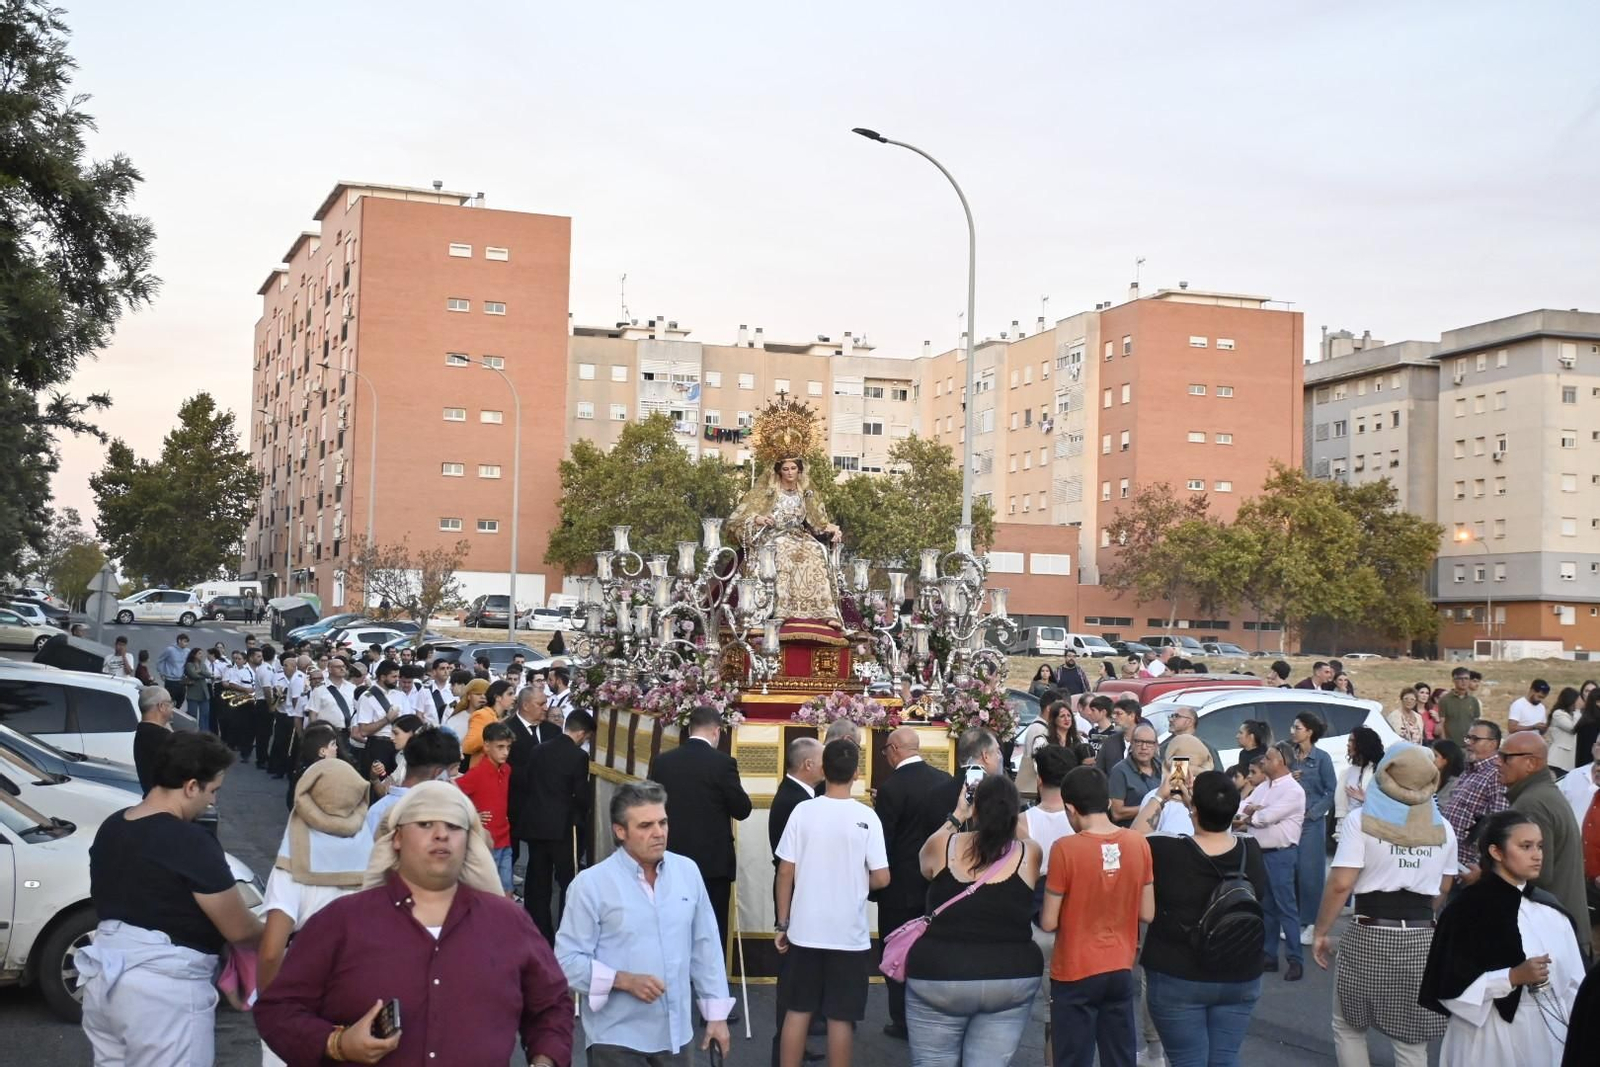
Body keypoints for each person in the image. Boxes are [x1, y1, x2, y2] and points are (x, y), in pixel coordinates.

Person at [256, 781, 573, 1066]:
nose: (441, 834)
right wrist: (337, 1044)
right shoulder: (342, 921)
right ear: (396, 839)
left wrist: (545, 1061)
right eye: (425, 824)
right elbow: (277, 1009)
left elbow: (552, 1004)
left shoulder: (508, 923)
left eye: (453, 826)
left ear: (468, 842)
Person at [77, 732, 263, 1066]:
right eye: (213, 790)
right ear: (191, 786)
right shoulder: (189, 840)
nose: (213, 802)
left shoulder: (113, 826)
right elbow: (239, 929)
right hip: (161, 991)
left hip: (102, 977)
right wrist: (276, 934)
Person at [555, 780, 733, 1065]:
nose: (658, 833)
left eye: (663, 822)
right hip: (615, 1039)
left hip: (677, 1036)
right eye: (645, 826)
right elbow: (565, 962)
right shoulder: (591, 885)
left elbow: (706, 947)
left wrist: (716, 1016)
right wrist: (622, 980)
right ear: (620, 831)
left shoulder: (687, 871)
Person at [1311, 743, 1457, 1067]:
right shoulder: (1443, 828)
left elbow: (1341, 884)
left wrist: (1321, 931)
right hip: (1422, 937)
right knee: (1411, 1039)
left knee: (1349, 1025)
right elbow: (1444, 887)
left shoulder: (1361, 821)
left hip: (1369, 931)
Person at [1419, 810, 1585, 1065]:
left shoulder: (1551, 910)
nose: (1537, 854)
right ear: (1497, 852)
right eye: (1525, 846)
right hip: (1489, 1035)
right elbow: (1448, 987)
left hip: (1549, 1032)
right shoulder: (1467, 911)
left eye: (1540, 846)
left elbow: (1576, 983)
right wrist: (1511, 977)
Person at [904, 774, 1043, 1066]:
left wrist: (958, 815)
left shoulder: (942, 845)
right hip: (1010, 974)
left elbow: (922, 862)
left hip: (940, 973)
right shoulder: (1029, 853)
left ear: (976, 808)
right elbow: (1021, 837)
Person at [775, 739, 890, 1067]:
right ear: (857, 773)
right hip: (848, 935)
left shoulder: (803, 811)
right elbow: (882, 878)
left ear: (823, 769)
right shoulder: (867, 817)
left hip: (804, 930)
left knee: (797, 1011)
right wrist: (853, 883)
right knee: (841, 1017)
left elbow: (785, 870)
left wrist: (783, 922)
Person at [1142, 771, 1268, 1067]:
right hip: (1240, 971)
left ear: (1193, 808)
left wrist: (1162, 796)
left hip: (1178, 973)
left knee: (1188, 1061)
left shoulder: (1166, 848)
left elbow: (1129, 840)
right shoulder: (1250, 850)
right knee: (1225, 1060)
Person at [256, 755, 374, 1067]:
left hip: (301, 1000)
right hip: (359, 997)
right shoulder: (377, 864)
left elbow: (270, 952)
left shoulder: (291, 868)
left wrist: (270, 1005)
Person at [1040, 766, 1155, 1067]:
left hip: (1075, 969)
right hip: (1119, 966)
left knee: (1073, 1057)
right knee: (1119, 1056)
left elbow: (1049, 922)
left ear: (1070, 808)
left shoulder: (1065, 849)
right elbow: (1147, 912)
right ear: (1106, 802)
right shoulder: (1138, 843)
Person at [647, 705, 753, 953]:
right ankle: (711, 986)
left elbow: (652, 805)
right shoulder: (723, 763)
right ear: (716, 732)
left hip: (671, 856)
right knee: (711, 927)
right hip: (713, 861)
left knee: (673, 925)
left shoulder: (663, 762)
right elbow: (742, 809)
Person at [873, 725, 956, 1039]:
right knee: (931, 951)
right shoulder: (944, 781)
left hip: (898, 886)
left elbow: (885, 842)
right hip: (936, 883)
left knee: (897, 951)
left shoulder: (891, 787)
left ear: (894, 749)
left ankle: (902, 1020)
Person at [730, 451, 844, 624]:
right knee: (784, 552)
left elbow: (817, 522)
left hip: (799, 536)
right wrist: (758, 518)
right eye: (786, 469)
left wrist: (834, 530)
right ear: (779, 471)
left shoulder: (804, 494)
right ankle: (781, 609)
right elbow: (740, 517)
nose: (790, 472)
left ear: (800, 471)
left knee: (817, 551)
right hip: (773, 536)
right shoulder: (769, 493)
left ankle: (825, 612)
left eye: (793, 468)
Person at [1499, 731, 1590, 936]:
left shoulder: (1531, 804)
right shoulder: (1541, 794)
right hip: (1559, 927)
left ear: (1531, 763)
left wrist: (1488, 874)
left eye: (1506, 758)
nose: (1498, 763)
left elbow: (1535, 873)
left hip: (1551, 933)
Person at [516, 709, 595, 943]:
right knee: (567, 881)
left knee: (537, 881)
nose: (585, 741)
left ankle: (538, 932)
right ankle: (566, 933)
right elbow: (581, 794)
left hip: (536, 823)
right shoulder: (578, 757)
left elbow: (528, 781)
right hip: (564, 827)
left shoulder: (539, 749)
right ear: (581, 733)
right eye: (587, 737)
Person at [1240, 742, 1306, 980]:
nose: (1263, 762)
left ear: (1281, 762)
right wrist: (1253, 812)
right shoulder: (1264, 786)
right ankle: (1269, 956)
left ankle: (1295, 959)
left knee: (1285, 907)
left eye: (1268, 758)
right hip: (1260, 853)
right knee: (1266, 907)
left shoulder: (1293, 791)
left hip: (1281, 854)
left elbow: (1265, 817)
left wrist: (1253, 813)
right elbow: (1242, 808)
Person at [1287, 710, 1337, 945]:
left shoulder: (1322, 758)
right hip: (1289, 819)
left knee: (1310, 874)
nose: (1292, 731)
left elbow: (1331, 790)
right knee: (1290, 871)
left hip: (1310, 822)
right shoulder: (1288, 754)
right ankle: (1293, 920)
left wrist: (1314, 813)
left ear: (1309, 731)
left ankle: (1311, 922)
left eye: (1297, 727)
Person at [1441, 718, 1509, 880]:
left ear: (1493, 744)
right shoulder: (1470, 770)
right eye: (1468, 738)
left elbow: (1498, 826)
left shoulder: (1496, 774)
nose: (1468, 743)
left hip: (1468, 869)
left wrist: (1481, 868)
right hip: (1449, 862)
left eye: (1475, 739)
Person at [365, 726, 462, 838]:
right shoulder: (444, 813)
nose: (450, 781)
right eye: (449, 774)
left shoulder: (377, 810)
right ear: (438, 774)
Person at [458, 719, 516, 894]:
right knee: (486, 894)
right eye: (500, 747)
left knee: (507, 892)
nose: (505, 752)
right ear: (486, 746)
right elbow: (451, 792)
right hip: (485, 843)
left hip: (505, 838)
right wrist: (472, 815)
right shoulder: (476, 774)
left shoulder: (506, 769)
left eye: (508, 747)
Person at [351, 658, 408, 778]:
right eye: (393, 677)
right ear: (382, 677)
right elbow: (364, 730)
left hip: (399, 746)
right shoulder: (367, 697)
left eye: (398, 676)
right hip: (378, 746)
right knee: (378, 785)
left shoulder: (400, 695)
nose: (397, 680)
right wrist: (386, 720)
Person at [1108, 722, 1163, 827]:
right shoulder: (1119, 771)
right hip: (1132, 833)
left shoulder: (1163, 767)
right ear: (1132, 743)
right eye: (1139, 742)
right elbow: (1117, 813)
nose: (1144, 747)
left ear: (1156, 745)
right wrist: (1156, 805)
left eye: (1149, 743)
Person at [1334, 726, 1386, 836]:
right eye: (1349, 740)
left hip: (1372, 830)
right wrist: (1340, 831)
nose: (1348, 744)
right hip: (1351, 829)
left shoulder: (1378, 771)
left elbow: (1387, 803)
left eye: (1352, 741)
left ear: (1364, 744)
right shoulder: (1347, 773)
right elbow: (1342, 807)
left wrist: (1365, 799)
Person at [132, 684, 175, 794]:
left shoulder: (142, 732)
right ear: (161, 706)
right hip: (166, 803)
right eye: (170, 703)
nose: (172, 708)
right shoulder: (164, 739)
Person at [464, 678, 513, 767]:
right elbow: (468, 746)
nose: (514, 698)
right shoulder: (482, 715)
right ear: (497, 697)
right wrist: (493, 730)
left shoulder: (508, 718)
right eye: (510, 694)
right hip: (482, 772)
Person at [1158, 704, 1223, 770]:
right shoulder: (1164, 748)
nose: (1171, 720)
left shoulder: (1207, 748)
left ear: (1189, 721)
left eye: (1176, 716)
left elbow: (1219, 777)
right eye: (1171, 716)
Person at [1436, 667, 1481, 743]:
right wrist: (1445, 743)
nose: (1463, 681)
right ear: (1454, 680)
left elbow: (1476, 724)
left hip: (1469, 744)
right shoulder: (1445, 700)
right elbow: (1442, 724)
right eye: (1460, 679)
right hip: (1452, 744)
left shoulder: (1473, 701)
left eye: (1466, 678)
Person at [1548, 685, 1582, 772]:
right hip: (1559, 759)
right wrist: (1578, 710)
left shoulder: (1574, 715)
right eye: (1576, 701)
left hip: (1568, 761)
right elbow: (1572, 728)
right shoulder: (1558, 714)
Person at [156, 631, 191, 710]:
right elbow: (160, 661)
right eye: (185, 642)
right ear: (179, 641)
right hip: (171, 680)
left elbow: (189, 663)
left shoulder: (187, 651)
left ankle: (175, 714)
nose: (186, 644)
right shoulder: (170, 650)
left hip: (182, 680)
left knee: (181, 700)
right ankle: (168, 717)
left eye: (187, 642)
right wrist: (162, 673)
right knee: (169, 700)